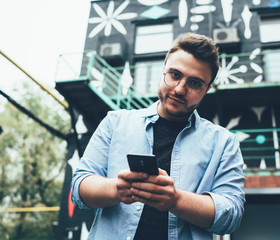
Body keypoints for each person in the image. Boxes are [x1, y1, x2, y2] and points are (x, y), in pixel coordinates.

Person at [71, 32, 245, 240]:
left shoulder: (224, 143)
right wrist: (117, 189)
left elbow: (232, 215)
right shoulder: (115, 122)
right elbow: (79, 187)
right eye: (175, 75)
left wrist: (175, 200)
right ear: (163, 71)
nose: (180, 89)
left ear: (206, 90)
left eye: (195, 83)